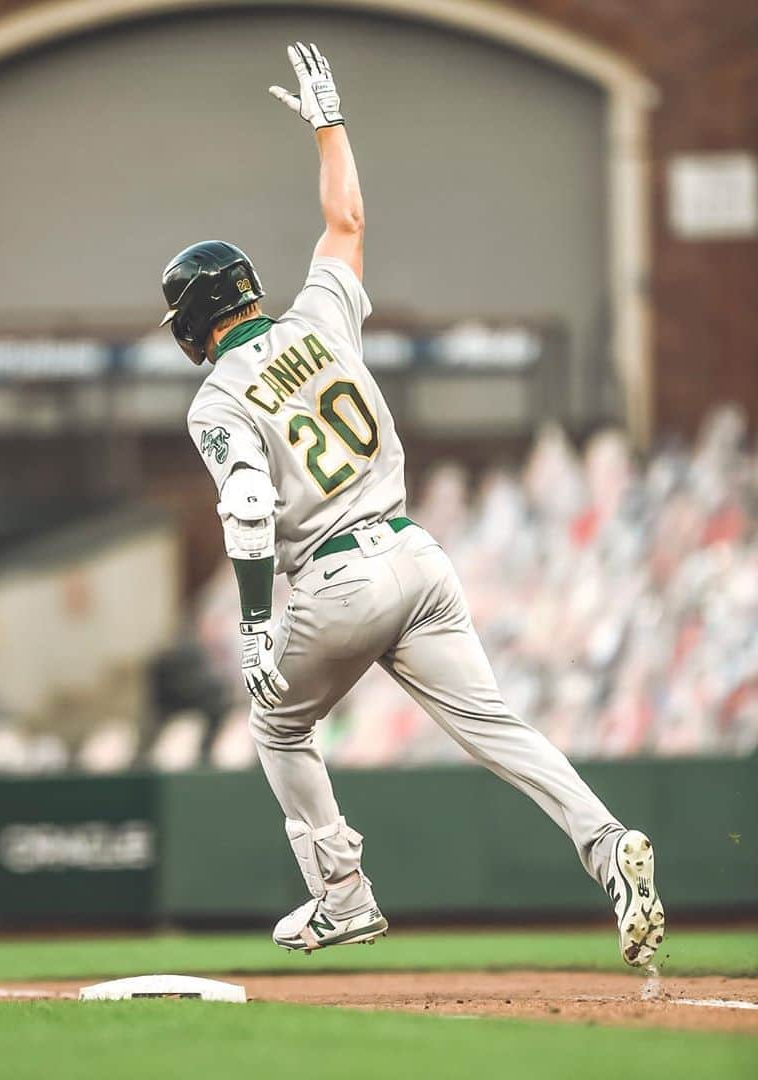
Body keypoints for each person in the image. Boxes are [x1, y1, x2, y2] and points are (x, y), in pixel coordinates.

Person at [160, 42, 664, 964]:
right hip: (417, 557)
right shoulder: (320, 315)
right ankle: (606, 843)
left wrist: (258, 625)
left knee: (275, 721)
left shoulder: (218, 396)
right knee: (497, 725)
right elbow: (345, 219)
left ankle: (343, 894)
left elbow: (243, 503)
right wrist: (328, 124)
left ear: (193, 323)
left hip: (333, 582)